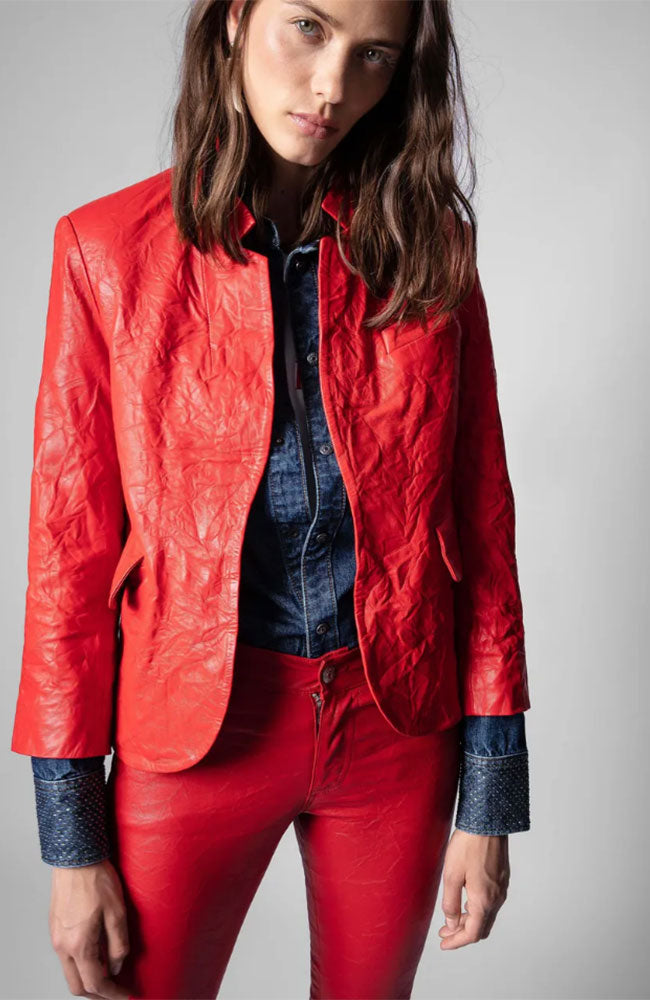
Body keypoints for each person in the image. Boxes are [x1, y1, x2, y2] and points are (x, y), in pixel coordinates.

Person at [10, 0, 531, 997]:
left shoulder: (430, 252)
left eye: (373, 55)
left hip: (395, 732)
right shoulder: (103, 250)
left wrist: (490, 794)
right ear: (235, 20)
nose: (333, 85)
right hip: (192, 734)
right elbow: (67, 554)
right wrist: (70, 841)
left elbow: (481, 526)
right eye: (308, 27)